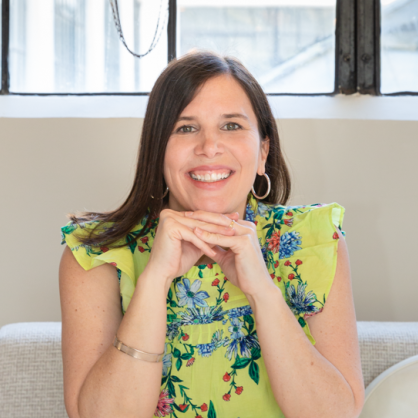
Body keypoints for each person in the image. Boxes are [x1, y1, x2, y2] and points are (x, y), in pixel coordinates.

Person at [59, 50, 365, 418]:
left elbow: (335, 415)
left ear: (263, 151)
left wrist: (262, 292)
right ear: (158, 151)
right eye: (186, 127)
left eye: (231, 125)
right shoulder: (98, 253)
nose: (209, 147)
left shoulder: (313, 240)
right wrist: (155, 281)